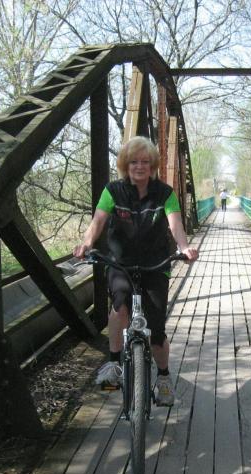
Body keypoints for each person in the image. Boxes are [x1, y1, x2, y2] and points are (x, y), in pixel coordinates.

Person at [73, 136, 199, 406]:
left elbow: (175, 224)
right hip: (120, 262)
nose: (139, 167)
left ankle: (163, 378)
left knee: (156, 328)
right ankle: (113, 365)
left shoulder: (165, 193)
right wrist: (86, 243)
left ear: (152, 165)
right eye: (133, 162)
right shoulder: (113, 191)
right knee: (120, 306)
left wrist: (184, 247)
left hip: (156, 264)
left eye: (145, 162)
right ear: (125, 165)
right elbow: (98, 221)